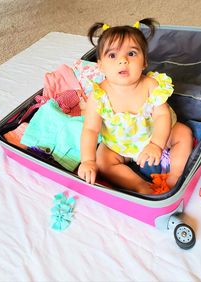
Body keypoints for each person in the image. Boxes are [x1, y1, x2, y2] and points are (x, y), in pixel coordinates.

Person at [78, 18, 193, 194]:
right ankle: (139, 185)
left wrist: (156, 144)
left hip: (154, 135)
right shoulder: (99, 96)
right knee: (103, 162)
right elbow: (90, 130)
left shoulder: (151, 85)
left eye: (131, 54)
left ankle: (174, 176)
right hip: (119, 145)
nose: (123, 61)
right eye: (112, 55)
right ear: (100, 65)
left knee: (183, 134)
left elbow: (162, 116)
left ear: (144, 61)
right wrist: (87, 161)